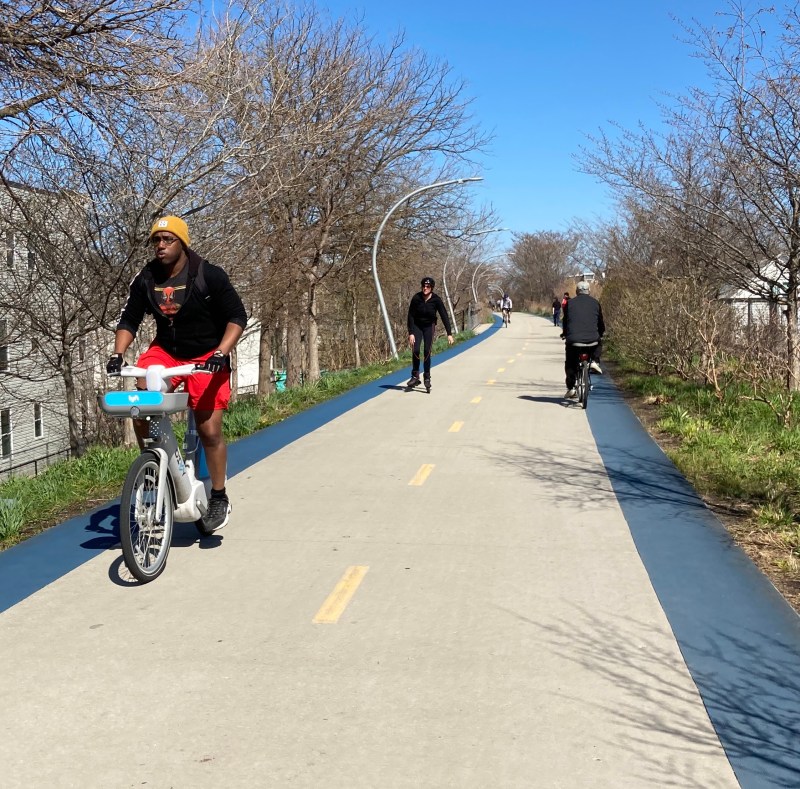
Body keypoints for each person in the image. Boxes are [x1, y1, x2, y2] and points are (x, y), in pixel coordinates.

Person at [106, 216, 248, 532]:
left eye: (167, 240)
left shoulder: (207, 275)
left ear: (182, 243)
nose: (160, 246)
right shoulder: (145, 278)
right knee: (142, 402)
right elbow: (129, 319)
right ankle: (155, 471)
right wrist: (118, 354)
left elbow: (237, 317)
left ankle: (219, 496)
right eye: (156, 240)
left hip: (207, 355)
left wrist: (220, 353)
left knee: (209, 431)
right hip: (167, 352)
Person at [406, 276, 454, 390]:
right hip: (417, 326)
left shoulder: (436, 300)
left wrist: (449, 333)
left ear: (431, 288)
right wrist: (411, 332)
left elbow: (444, 316)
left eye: (427, 286)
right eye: (423, 286)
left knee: (427, 351)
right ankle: (415, 376)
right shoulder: (416, 298)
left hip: (429, 326)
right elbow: (410, 315)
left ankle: (426, 377)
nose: (425, 288)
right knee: (416, 349)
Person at [560, 280, 604, 399]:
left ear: (576, 291)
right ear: (589, 291)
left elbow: (566, 322)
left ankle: (571, 388)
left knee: (570, 362)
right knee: (598, 341)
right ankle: (594, 361)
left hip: (574, 340)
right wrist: (601, 333)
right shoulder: (595, 303)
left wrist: (564, 334)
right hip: (592, 340)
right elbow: (600, 322)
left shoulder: (569, 303)